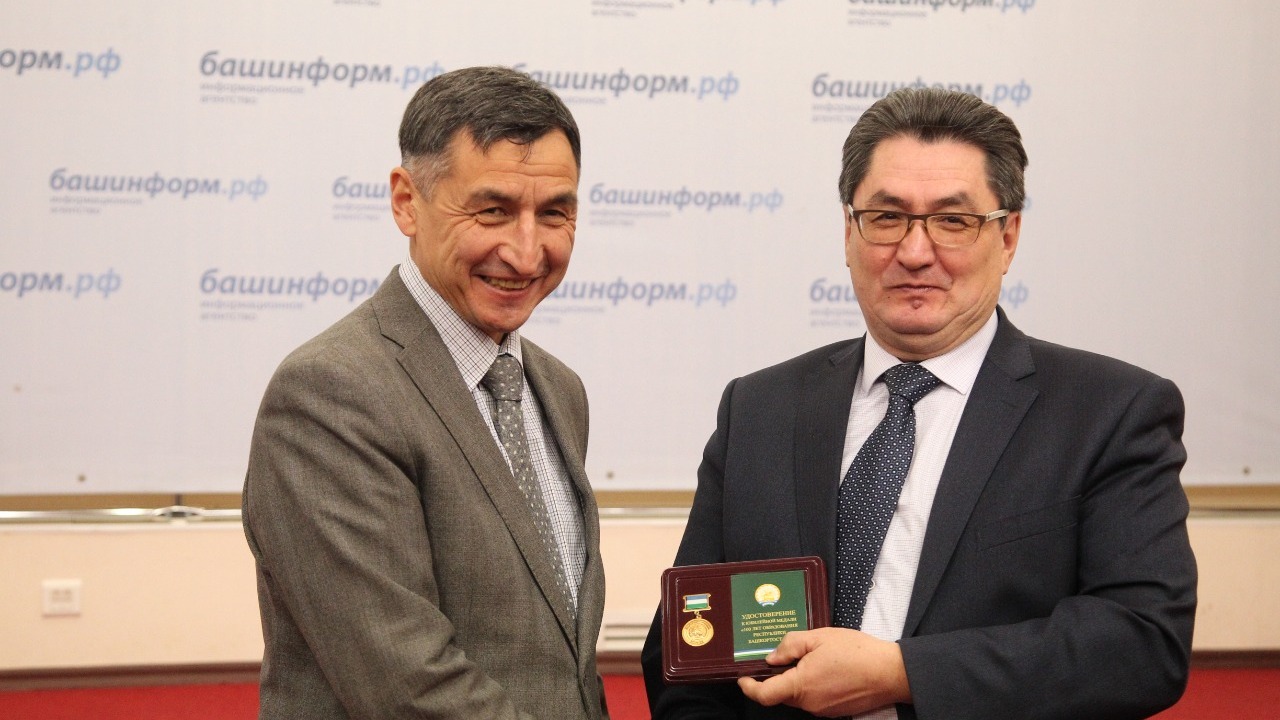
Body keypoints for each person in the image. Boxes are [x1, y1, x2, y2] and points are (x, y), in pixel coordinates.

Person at [641, 87, 1196, 720]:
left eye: (953, 221)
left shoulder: (1109, 412)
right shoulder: (759, 409)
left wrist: (901, 674)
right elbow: (685, 651)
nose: (913, 251)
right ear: (848, 232)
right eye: (886, 217)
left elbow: (1141, 643)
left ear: (1008, 237)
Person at [243, 66, 608, 719]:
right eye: (493, 211)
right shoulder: (329, 393)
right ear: (407, 202)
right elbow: (406, 687)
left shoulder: (559, 390)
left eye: (554, 213)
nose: (527, 253)